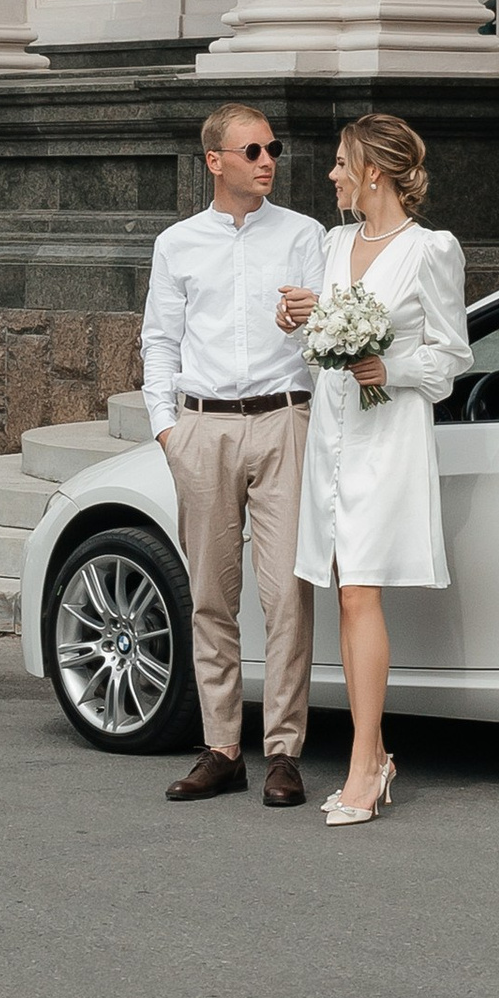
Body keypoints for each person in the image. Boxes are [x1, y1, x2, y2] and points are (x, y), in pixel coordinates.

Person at [280, 113, 470, 826]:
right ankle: (375, 754)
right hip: (333, 431)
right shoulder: (334, 243)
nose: (329, 174)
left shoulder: (430, 250)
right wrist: (302, 319)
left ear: (374, 173)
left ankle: (365, 763)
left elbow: (452, 359)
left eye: (339, 163)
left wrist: (390, 365)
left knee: (359, 590)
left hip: (388, 435)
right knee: (343, 588)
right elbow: (320, 342)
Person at [141, 104, 329, 805]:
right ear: (215, 160)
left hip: (285, 421)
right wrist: (169, 430)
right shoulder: (179, 243)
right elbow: (159, 339)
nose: (266, 160)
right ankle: (222, 749)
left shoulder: (305, 234)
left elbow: (330, 336)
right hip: (204, 429)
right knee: (212, 598)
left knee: (287, 598)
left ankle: (283, 752)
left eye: (273, 148)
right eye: (251, 150)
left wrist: (305, 322)